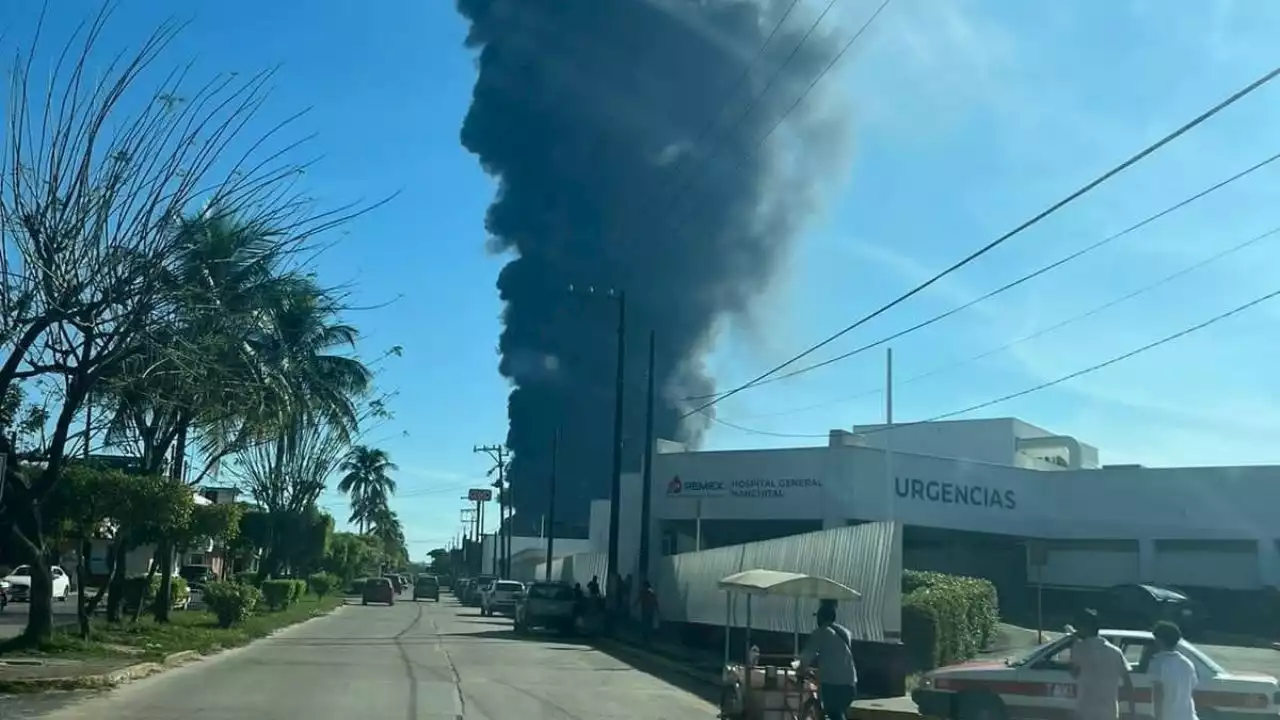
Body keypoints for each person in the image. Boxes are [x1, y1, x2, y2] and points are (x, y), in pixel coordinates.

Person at [1068, 609, 1134, 720]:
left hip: (1086, 710)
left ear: (1083, 627)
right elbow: (1128, 683)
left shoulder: (1079, 648)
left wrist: (1074, 641)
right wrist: (1132, 711)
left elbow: (1074, 673)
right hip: (1109, 712)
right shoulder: (1116, 651)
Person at [796, 600, 857, 720]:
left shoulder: (820, 633)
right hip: (851, 683)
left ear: (821, 618)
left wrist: (800, 670)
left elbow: (807, 656)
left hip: (833, 684)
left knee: (833, 712)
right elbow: (836, 654)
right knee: (838, 712)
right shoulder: (845, 633)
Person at [1149, 621, 1198, 720]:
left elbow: (1158, 694)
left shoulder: (1158, 663)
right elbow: (1190, 690)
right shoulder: (1187, 663)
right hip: (1188, 716)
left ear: (1159, 640)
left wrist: (1157, 717)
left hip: (1168, 716)